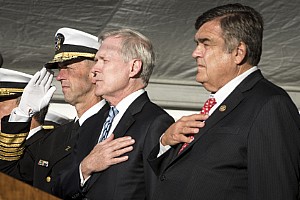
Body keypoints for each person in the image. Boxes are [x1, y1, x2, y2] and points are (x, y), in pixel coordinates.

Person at [148, 3, 300, 200]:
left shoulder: (270, 104)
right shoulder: (219, 104)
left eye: (206, 43)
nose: (195, 53)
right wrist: (165, 142)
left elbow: (275, 191)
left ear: (238, 53)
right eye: (197, 44)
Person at [0, 28, 131, 194]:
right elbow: (9, 179)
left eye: (68, 67)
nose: (59, 76)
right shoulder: (55, 137)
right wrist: (22, 114)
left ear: (95, 71)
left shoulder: (116, 127)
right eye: (59, 68)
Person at [53, 28, 175, 200]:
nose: (94, 69)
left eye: (104, 60)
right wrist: (85, 168)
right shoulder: (92, 122)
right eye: (96, 61)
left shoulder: (156, 123)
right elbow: (58, 188)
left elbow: (160, 192)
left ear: (133, 67)